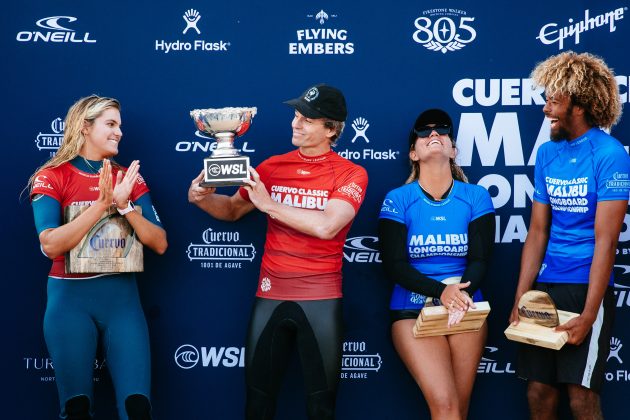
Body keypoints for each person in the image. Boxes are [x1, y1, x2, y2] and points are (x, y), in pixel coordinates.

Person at [188, 83, 368, 419]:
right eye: (296, 116)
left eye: (307, 119)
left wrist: (270, 205)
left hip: (321, 300)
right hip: (270, 296)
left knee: (321, 408)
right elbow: (230, 210)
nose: (295, 124)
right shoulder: (272, 167)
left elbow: (328, 226)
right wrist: (201, 198)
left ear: (331, 129)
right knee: (257, 404)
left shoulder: (350, 173)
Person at [28, 95, 168, 420]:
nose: (119, 132)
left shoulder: (128, 178)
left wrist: (124, 206)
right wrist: (102, 204)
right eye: (111, 124)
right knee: (76, 409)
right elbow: (51, 245)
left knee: (137, 408)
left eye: (120, 125)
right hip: (69, 302)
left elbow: (159, 242)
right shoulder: (53, 176)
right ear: (84, 127)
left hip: (122, 303)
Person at [509, 51, 629, 419]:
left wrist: (589, 314)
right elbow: (538, 231)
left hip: (585, 287)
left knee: (581, 396)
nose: (546, 109)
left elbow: (606, 241)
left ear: (579, 104)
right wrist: (520, 300)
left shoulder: (610, 154)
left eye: (554, 100)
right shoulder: (547, 153)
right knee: (539, 393)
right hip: (545, 287)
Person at [378, 108, 495, 419]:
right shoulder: (398, 198)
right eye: (424, 132)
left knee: (458, 409)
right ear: (413, 154)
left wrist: (459, 296)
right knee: (445, 406)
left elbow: (481, 259)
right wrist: (442, 292)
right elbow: (395, 265)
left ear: (453, 150)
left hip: (466, 308)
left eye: (442, 130)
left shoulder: (476, 196)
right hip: (412, 308)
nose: (434, 134)